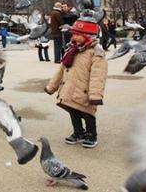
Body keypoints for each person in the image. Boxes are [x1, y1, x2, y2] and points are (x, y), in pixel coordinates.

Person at [44, 16, 108, 148]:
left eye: (79, 35)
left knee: (88, 113)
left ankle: (91, 135)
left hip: (85, 90)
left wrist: (95, 95)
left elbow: (98, 76)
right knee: (73, 110)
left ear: (89, 36)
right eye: (74, 34)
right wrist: (52, 86)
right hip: (70, 88)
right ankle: (78, 132)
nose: (75, 38)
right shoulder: (72, 50)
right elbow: (61, 70)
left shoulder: (96, 53)